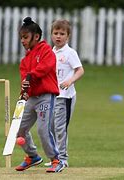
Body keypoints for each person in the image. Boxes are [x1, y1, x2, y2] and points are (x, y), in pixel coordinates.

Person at [14, 17, 64, 173]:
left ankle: (56, 159)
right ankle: (32, 156)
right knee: (19, 129)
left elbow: (45, 67)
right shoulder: (24, 61)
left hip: (46, 96)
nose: (22, 41)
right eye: (21, 37)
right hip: (32, 98)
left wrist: (31, 75)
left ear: (36, 36)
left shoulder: (46, 50)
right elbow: (25, 80)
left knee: (43, 130)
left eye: (25, 37)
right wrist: (24, 92)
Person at [44, 19, 84, 169]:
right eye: (56, 33)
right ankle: (54, 157)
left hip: (65, 97)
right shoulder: (50, 52)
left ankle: (62, 159)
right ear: (51, 35)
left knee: (60, 128)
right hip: (51, 96)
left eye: (62, 34)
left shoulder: (69, 53)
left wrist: (70, 81)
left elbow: (80, 70)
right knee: (50, 128)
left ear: (68, 36)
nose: (58, 36)